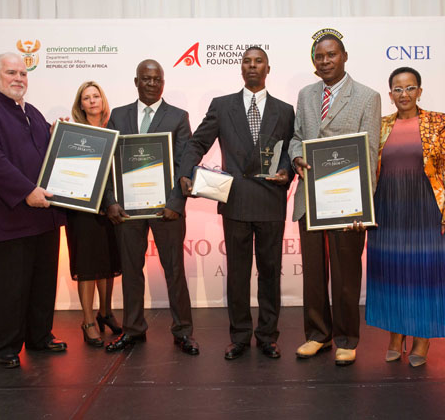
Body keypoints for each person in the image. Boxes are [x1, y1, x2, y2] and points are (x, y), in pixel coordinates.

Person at [179, 46, 294, 360]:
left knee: (270, 272)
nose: (252, 66)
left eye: (258, 61)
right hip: (236, 201)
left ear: (268, 68)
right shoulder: (222, 106)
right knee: (238, 273)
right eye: (247, 61)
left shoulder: (285, 110)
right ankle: (240, 336)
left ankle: (268, 336)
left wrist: (288, 171)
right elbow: (198, 142)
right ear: (241, 68)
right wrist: (186, 172)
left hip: (271, 200)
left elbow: (291, 149)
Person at [0, 52, 67, 368]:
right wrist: (26, 192)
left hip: (43, 215)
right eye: (11, 72)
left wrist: (60, 137)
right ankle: (5, 347)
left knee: (42, 283)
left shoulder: (32, 112)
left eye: (23, 73)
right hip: (7, 218)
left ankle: (39, 336)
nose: (19, 78)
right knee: (9, 288)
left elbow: (45, 155)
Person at [289, 31, 380, 366]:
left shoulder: (367, 97)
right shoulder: (306, 94)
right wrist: (296, 157)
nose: (325, 61)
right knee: (313, 273)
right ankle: (317, 335)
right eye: (319, 56)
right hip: (310, 198)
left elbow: (370, 152)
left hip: (348, 201)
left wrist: (363, 206)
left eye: (331, 55)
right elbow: (297, 137)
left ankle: (345, 339)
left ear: (344, 56)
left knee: (345, 275)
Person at [366, 67, 445, 367]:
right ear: (390, 94)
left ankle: (422, 338)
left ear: (419, 91)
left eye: (410, 88)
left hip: (427, 207)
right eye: (398, 89)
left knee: (426, 272)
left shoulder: (439, 121)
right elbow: (367, 168)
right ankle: (395, 336)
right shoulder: (380, 125)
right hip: (387, 207)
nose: (404, 94)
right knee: (391, 272)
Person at [103, 59, 199, 356]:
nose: (152, 84)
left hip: (166, 209)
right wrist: (110, 202)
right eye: (146, 79)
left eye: (157, 79)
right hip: (127, 210)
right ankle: (133, 329)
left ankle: (183, 331)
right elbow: (107, 163)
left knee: (174, 270)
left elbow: (186, 162)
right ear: (136, 82)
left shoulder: (178, 117)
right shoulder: (118, 116)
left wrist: (176, 203)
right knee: (131, 270)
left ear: (163, 83)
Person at [65, 81, 122, 347]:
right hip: (82, 209)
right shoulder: (72, 132)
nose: (92, 101)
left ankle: (105, 313)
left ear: (102, 99)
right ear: (80, 104)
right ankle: (87, 321)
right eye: (86, 97)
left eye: (95, 96)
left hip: (109, 206)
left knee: (107, 262)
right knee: (87, 266)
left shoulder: (115, 129)